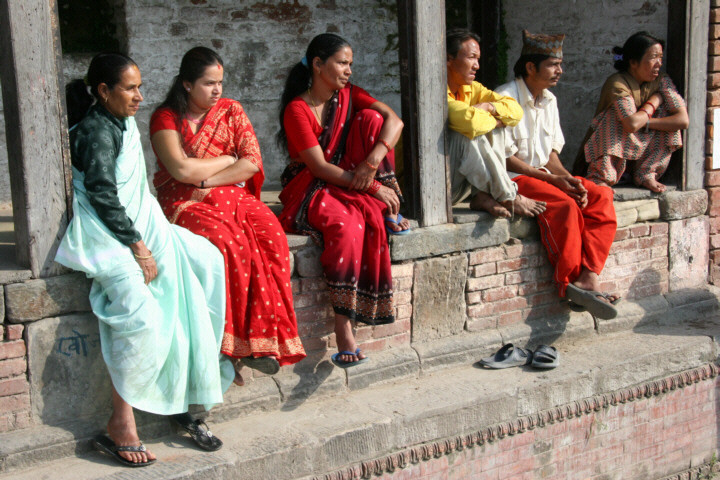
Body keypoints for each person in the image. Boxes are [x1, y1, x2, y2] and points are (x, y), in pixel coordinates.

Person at [57, 53, 234, 467]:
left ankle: (190, 396)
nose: (140, 96)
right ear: (103, 92)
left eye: (140, 86)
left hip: (145, 222)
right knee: (141, 314)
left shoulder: (122, 121)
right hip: (107, 233)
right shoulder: (96, 131)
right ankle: (121, 423)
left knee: (207, 261)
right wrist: (138, 246)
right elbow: (102, 194)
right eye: (130, 88)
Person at [150, 47, 306, 383]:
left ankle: (266, 339)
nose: (217, 90)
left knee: (272, 237)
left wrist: (207, 177)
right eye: (209, 83)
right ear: (186, 85)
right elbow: (179, 169)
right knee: (228, 243)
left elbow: (250, 163)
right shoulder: (165, 117)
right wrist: (225, 161)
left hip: (229, 193)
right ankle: (233, 345)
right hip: (183, 200)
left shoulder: (231, 110)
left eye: (220, 82)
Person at [277, 33, 409, 368]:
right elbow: (319, 166)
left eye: (351, 63)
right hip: (310, 185)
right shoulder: (297, 109)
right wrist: (371, 188)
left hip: (352, 175)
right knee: (347, 225)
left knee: (373, 120)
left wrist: (372, 162)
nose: (349, 70)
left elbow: (396, 122)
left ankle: (387, 206)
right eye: (342, 63)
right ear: (319, 65)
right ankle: (343, 322)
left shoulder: (349, 96)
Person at [496, 30, 619, 319]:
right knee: (565, 207)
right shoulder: (504, 97)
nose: (559, 71)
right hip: (513, 177)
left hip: (543, 174)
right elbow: (504, 157)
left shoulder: (549, 100)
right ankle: (570, 283)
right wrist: (554, 181)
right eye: (553, 64)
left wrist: (567, 178)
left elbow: (551, 155)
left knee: (600, 194)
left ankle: (589, 276)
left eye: (560, 64)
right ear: (530, 66)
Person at [446, 28, 546, 218]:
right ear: (449, 59)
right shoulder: (434, 89)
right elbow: (471, 123)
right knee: (466, 133)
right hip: (431, 191)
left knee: (496, 128)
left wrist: (490, 108)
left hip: (459, 186)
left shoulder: (471, 88)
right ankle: (508, 196)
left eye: (478, 59)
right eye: (471, 58)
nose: (476, 65)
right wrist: (495, 119)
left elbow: (515, 111)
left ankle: (483, 195)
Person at [578, 31, 688, 193]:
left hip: (642, 152)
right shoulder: (617, 83)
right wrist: (654, 102)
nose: (658, 63)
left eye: (660, 57)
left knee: (667, 115)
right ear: (633, 62)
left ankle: (646, 173)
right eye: (653, 57)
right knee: (614, 116)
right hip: (615, 153)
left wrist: (648, 123)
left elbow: (682, 120)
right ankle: (602, 176)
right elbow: (631, 123)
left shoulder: (662, 80)